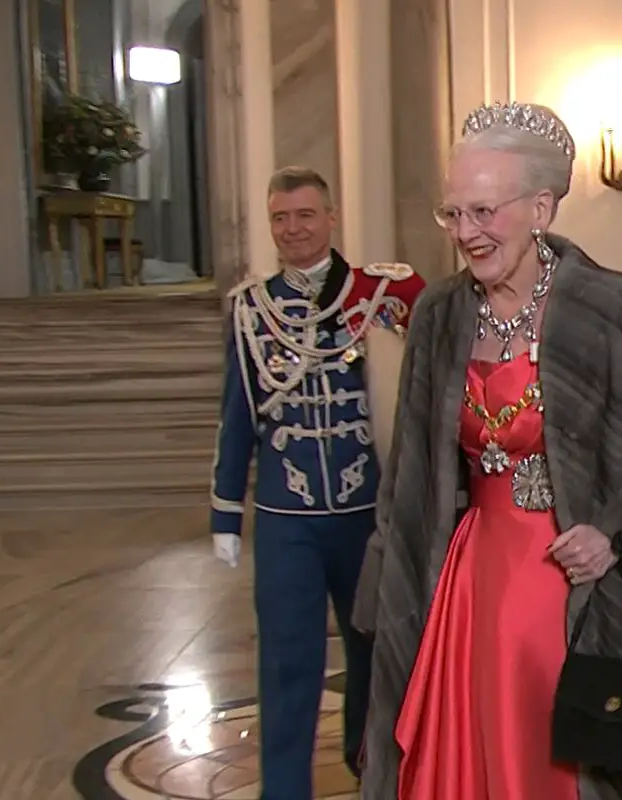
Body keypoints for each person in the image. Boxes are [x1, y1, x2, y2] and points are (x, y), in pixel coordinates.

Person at [351, 101, 622, 800]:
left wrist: (618, 533)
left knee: (583, 762)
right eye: (453, 215)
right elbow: (411, 483)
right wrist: (390, 596)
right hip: (470, 585)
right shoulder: (439, 317)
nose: (466, 234)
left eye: (484, 212)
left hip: (588, 591)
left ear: (541, 206)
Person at [209, 166, 426, 798]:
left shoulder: (386, 293)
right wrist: (227, 513)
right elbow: (238, 414)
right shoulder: (251, 310)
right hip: (286, 522)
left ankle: (374, 771)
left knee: (376, 656)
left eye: (305, 215)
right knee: (285, 663)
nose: (293, 229)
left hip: (367, 514)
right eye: (281, 218)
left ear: (331, 219)